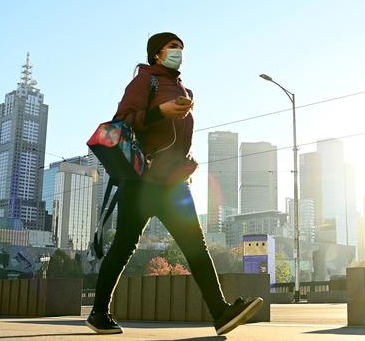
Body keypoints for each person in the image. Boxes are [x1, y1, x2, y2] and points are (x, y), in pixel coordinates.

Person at [86, 32, 263, 336]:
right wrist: (159, 111)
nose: (178, 52)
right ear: (156, 53)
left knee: (196, 247)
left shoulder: (183, 88)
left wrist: (186, 160)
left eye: (181, 48)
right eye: (172, 48)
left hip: (173, 183)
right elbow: (121, 121)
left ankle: (220, 313)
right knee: (123, 247)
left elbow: (177, 140)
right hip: (142, 182)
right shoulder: (146, 81)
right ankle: (99, 313)